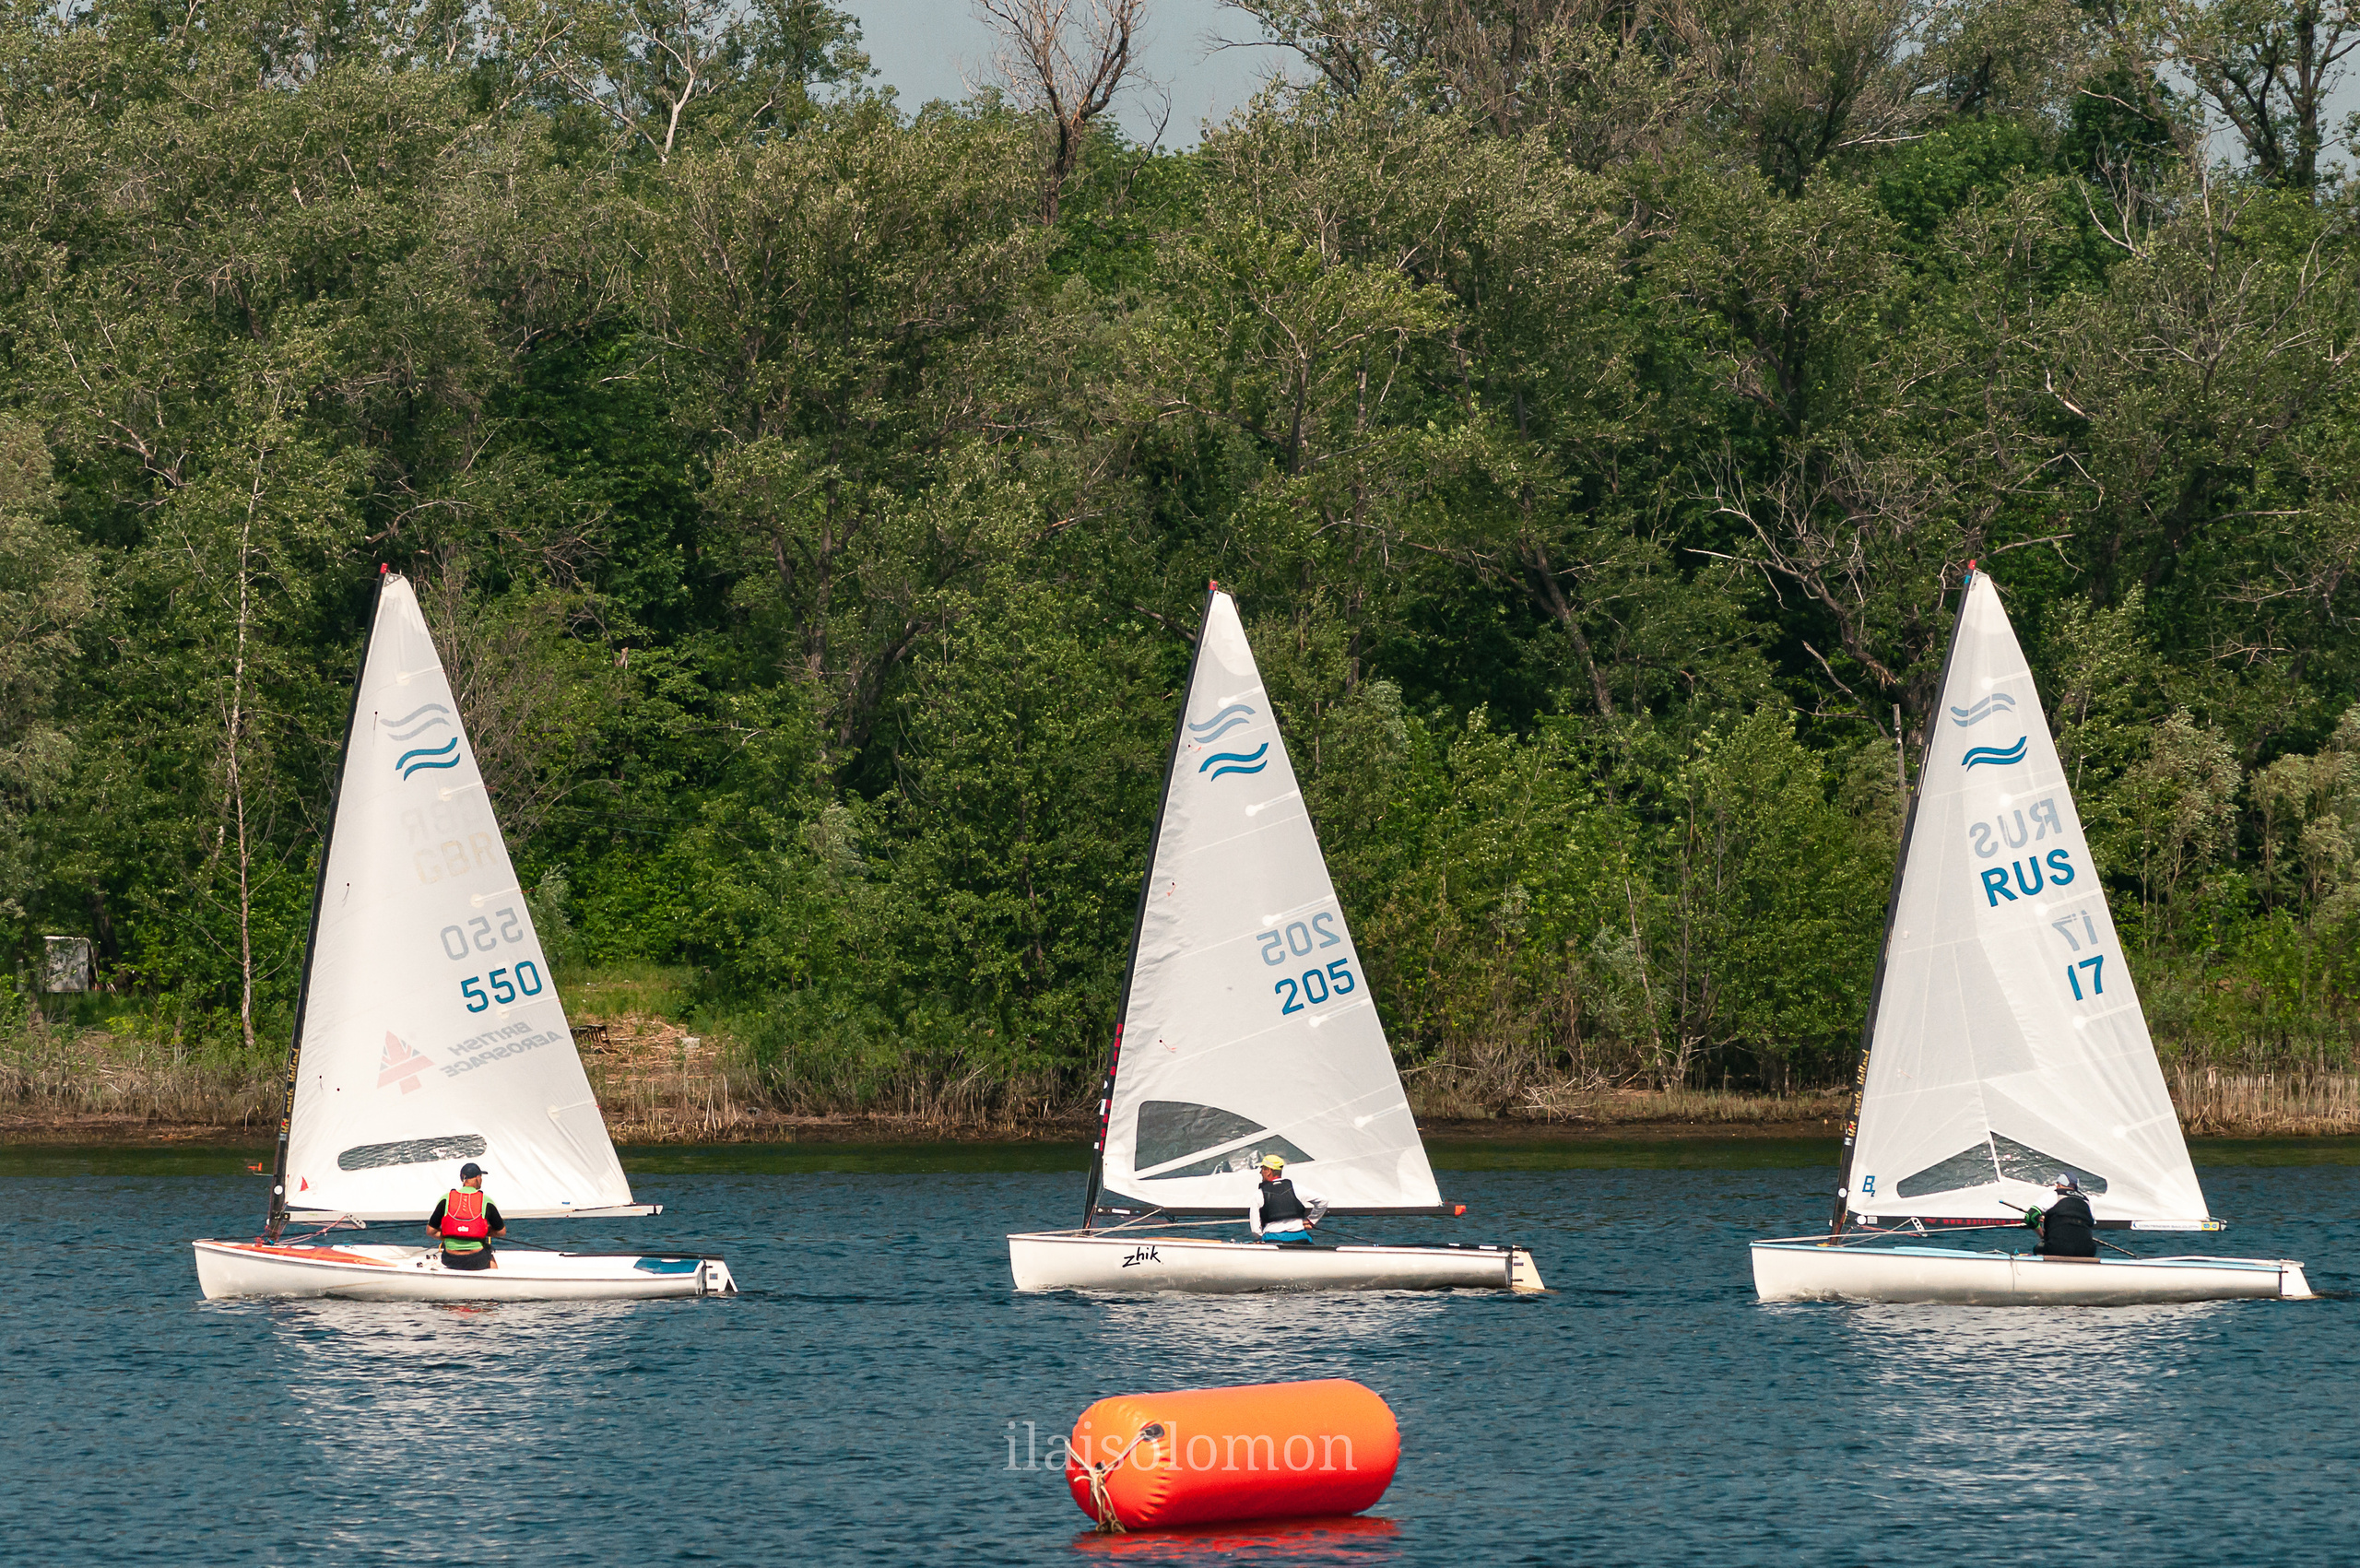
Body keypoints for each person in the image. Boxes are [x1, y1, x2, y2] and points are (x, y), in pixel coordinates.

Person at [428, 1161, 505, 1270]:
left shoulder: (446, 1198)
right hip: (476, 1259)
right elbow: (501, 1231)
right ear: (478, 1178)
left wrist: (450, 1235)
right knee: (489, 1255)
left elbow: (430, 1231)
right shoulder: (485, 1200)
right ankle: (494, 1284)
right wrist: (481, 1231)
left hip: (450, 1258)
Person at [1248, 1154, 1328, 1245]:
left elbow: (1255, 1230)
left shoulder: (1258, 1194)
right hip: (1300, 1239)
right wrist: (1311, 1221)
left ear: (1269, 1171)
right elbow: (1323, 1200)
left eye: (1262, 1169)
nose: (1260, 1172)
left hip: (1273, 1240)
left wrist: (1261, 1237)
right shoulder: (1297, 1188)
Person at [2024, 1173, 2097, 1258]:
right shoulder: (2088, 1201)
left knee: (2039, 1248)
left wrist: (2042, 1235)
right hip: (2087, 1250)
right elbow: (2088, 1224)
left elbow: (2030, 1217)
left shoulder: (2053, 1195)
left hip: (2057, 1248)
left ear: (2059, 1185)